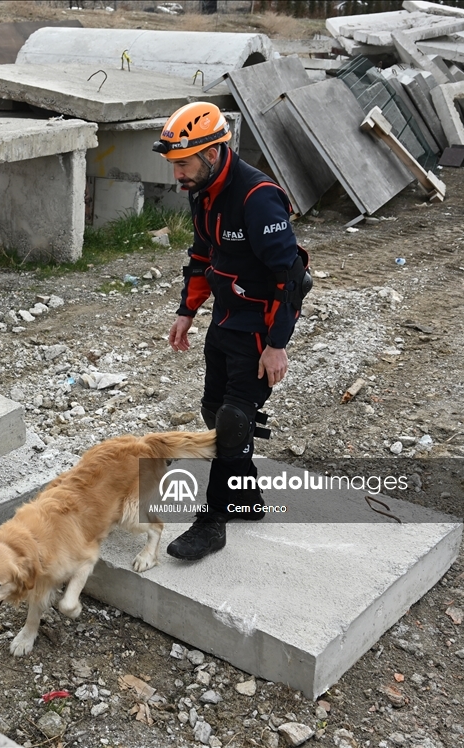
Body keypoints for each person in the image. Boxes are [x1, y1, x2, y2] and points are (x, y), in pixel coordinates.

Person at [153, 102, 310, 561]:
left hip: (260, 328)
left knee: (233, 421)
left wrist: (277, 345)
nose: (177, 175)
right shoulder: (201, 190)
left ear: (215, 152)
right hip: (225, 318)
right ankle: (246, 497)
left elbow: (291, 277)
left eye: (183, 164)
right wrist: (187, 311)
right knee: (212, 410)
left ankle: (213, 522)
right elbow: (204, 254)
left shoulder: (257, 197)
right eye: (173, 165)